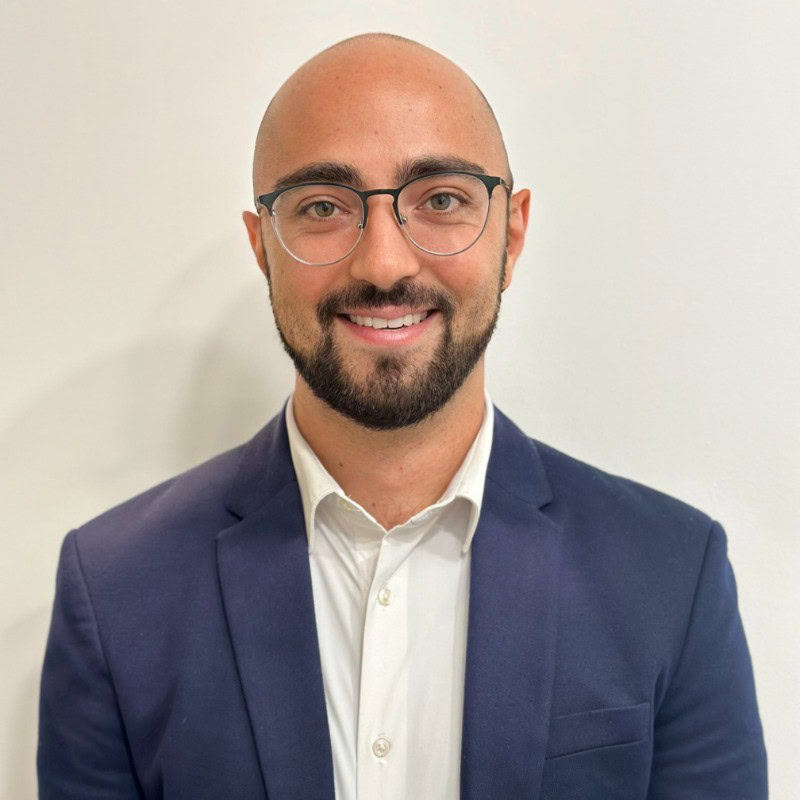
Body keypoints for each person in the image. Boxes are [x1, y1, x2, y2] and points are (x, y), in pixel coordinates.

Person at [37, 32, 767, 800]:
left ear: (511, 234)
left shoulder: (669, 575)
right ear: (262, 247)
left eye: (442, 199)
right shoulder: (115, 590)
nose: (384, 263)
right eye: (323, 207)